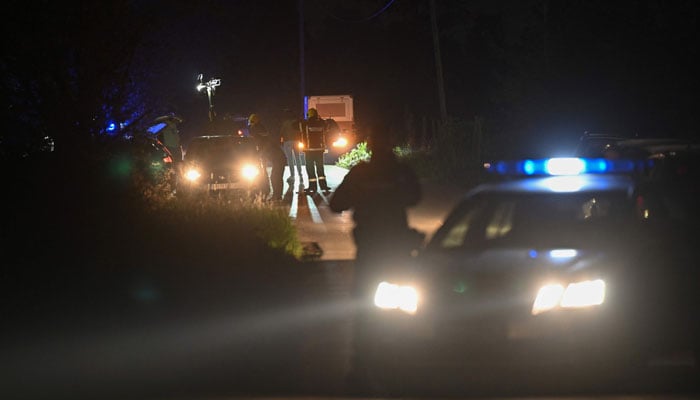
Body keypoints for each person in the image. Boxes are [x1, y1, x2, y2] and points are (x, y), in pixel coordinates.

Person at [329, 124, 423, 389]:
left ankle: (360, 370)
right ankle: (407, 363)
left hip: (371, 249)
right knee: (408, 304)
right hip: (397, 251)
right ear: (391, 145)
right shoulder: (401, 172)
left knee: (364, 308)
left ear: (369, 146)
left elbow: (336, 204)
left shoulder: (361, 174)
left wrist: (364, 195)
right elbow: (416, 197)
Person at [248, 113, 286, 201]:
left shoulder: (260, 140)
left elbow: (262, 150)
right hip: (279, 157)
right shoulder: (262, 133)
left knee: (275, 177)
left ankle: (277, 196)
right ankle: (277, 196)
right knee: (276, 176)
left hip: (278, 158)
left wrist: (257, 155)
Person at [300, 108, 331, 193]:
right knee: (320, 168)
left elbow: (297, 127)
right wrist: (319, 118)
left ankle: (312, 187)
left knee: (310, 169)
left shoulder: (305, 123)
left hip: (309, 150)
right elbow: (327, 125)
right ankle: (323, 186)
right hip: (319, 150)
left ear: (308, 115)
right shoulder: (321, 123)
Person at [279, 109, 304, 185]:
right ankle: (300, 175)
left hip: (288, 142)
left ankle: (292, 175)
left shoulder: (285, 123)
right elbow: (300, 131)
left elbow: (281, 132)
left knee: (290, 159)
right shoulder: (296, 122)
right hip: (296, 141)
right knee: (297, 158)